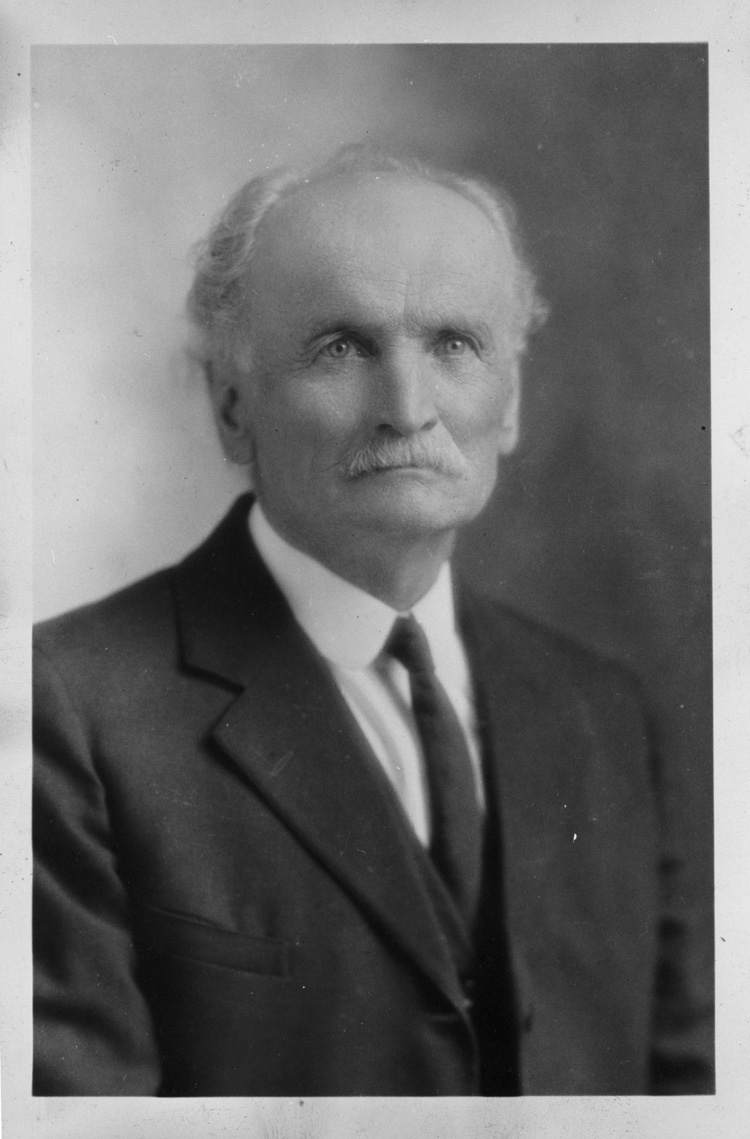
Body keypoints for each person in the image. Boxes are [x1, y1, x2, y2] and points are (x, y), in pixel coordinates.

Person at [32, 144, 713, 1096]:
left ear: (509, 403)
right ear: (233, 406)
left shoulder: (601, 709)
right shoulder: (64, 706)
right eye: (341, 348)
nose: (406, 408)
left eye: (454, 346)